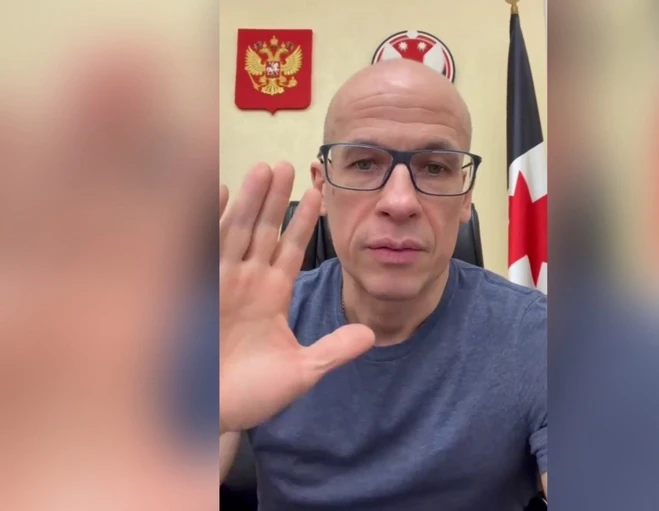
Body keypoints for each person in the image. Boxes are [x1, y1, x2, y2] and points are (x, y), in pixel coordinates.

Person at [219, 59, 547, 510]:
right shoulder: (251, 323)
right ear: (323, 186)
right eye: (364, 163)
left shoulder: (537, 334)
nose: (399, 201)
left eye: (435, 168)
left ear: (466, 196)